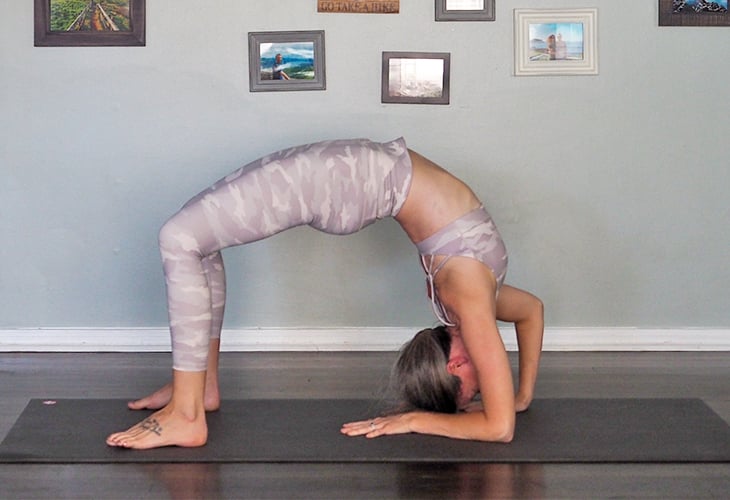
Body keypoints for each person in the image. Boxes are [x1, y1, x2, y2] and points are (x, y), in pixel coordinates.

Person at [106, 137, 544, 449]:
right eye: (478, 391)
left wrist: (415, 420)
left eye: (477, 389)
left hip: (349, 178)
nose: (490, 382)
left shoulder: (473, 297)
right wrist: (519, 398)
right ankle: (196, 395)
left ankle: (188, 411)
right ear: (458, 363)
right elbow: (501, 421)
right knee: (190, 240)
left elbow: (524, 332)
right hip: (351, 176)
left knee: (180, 238)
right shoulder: (473, 301)